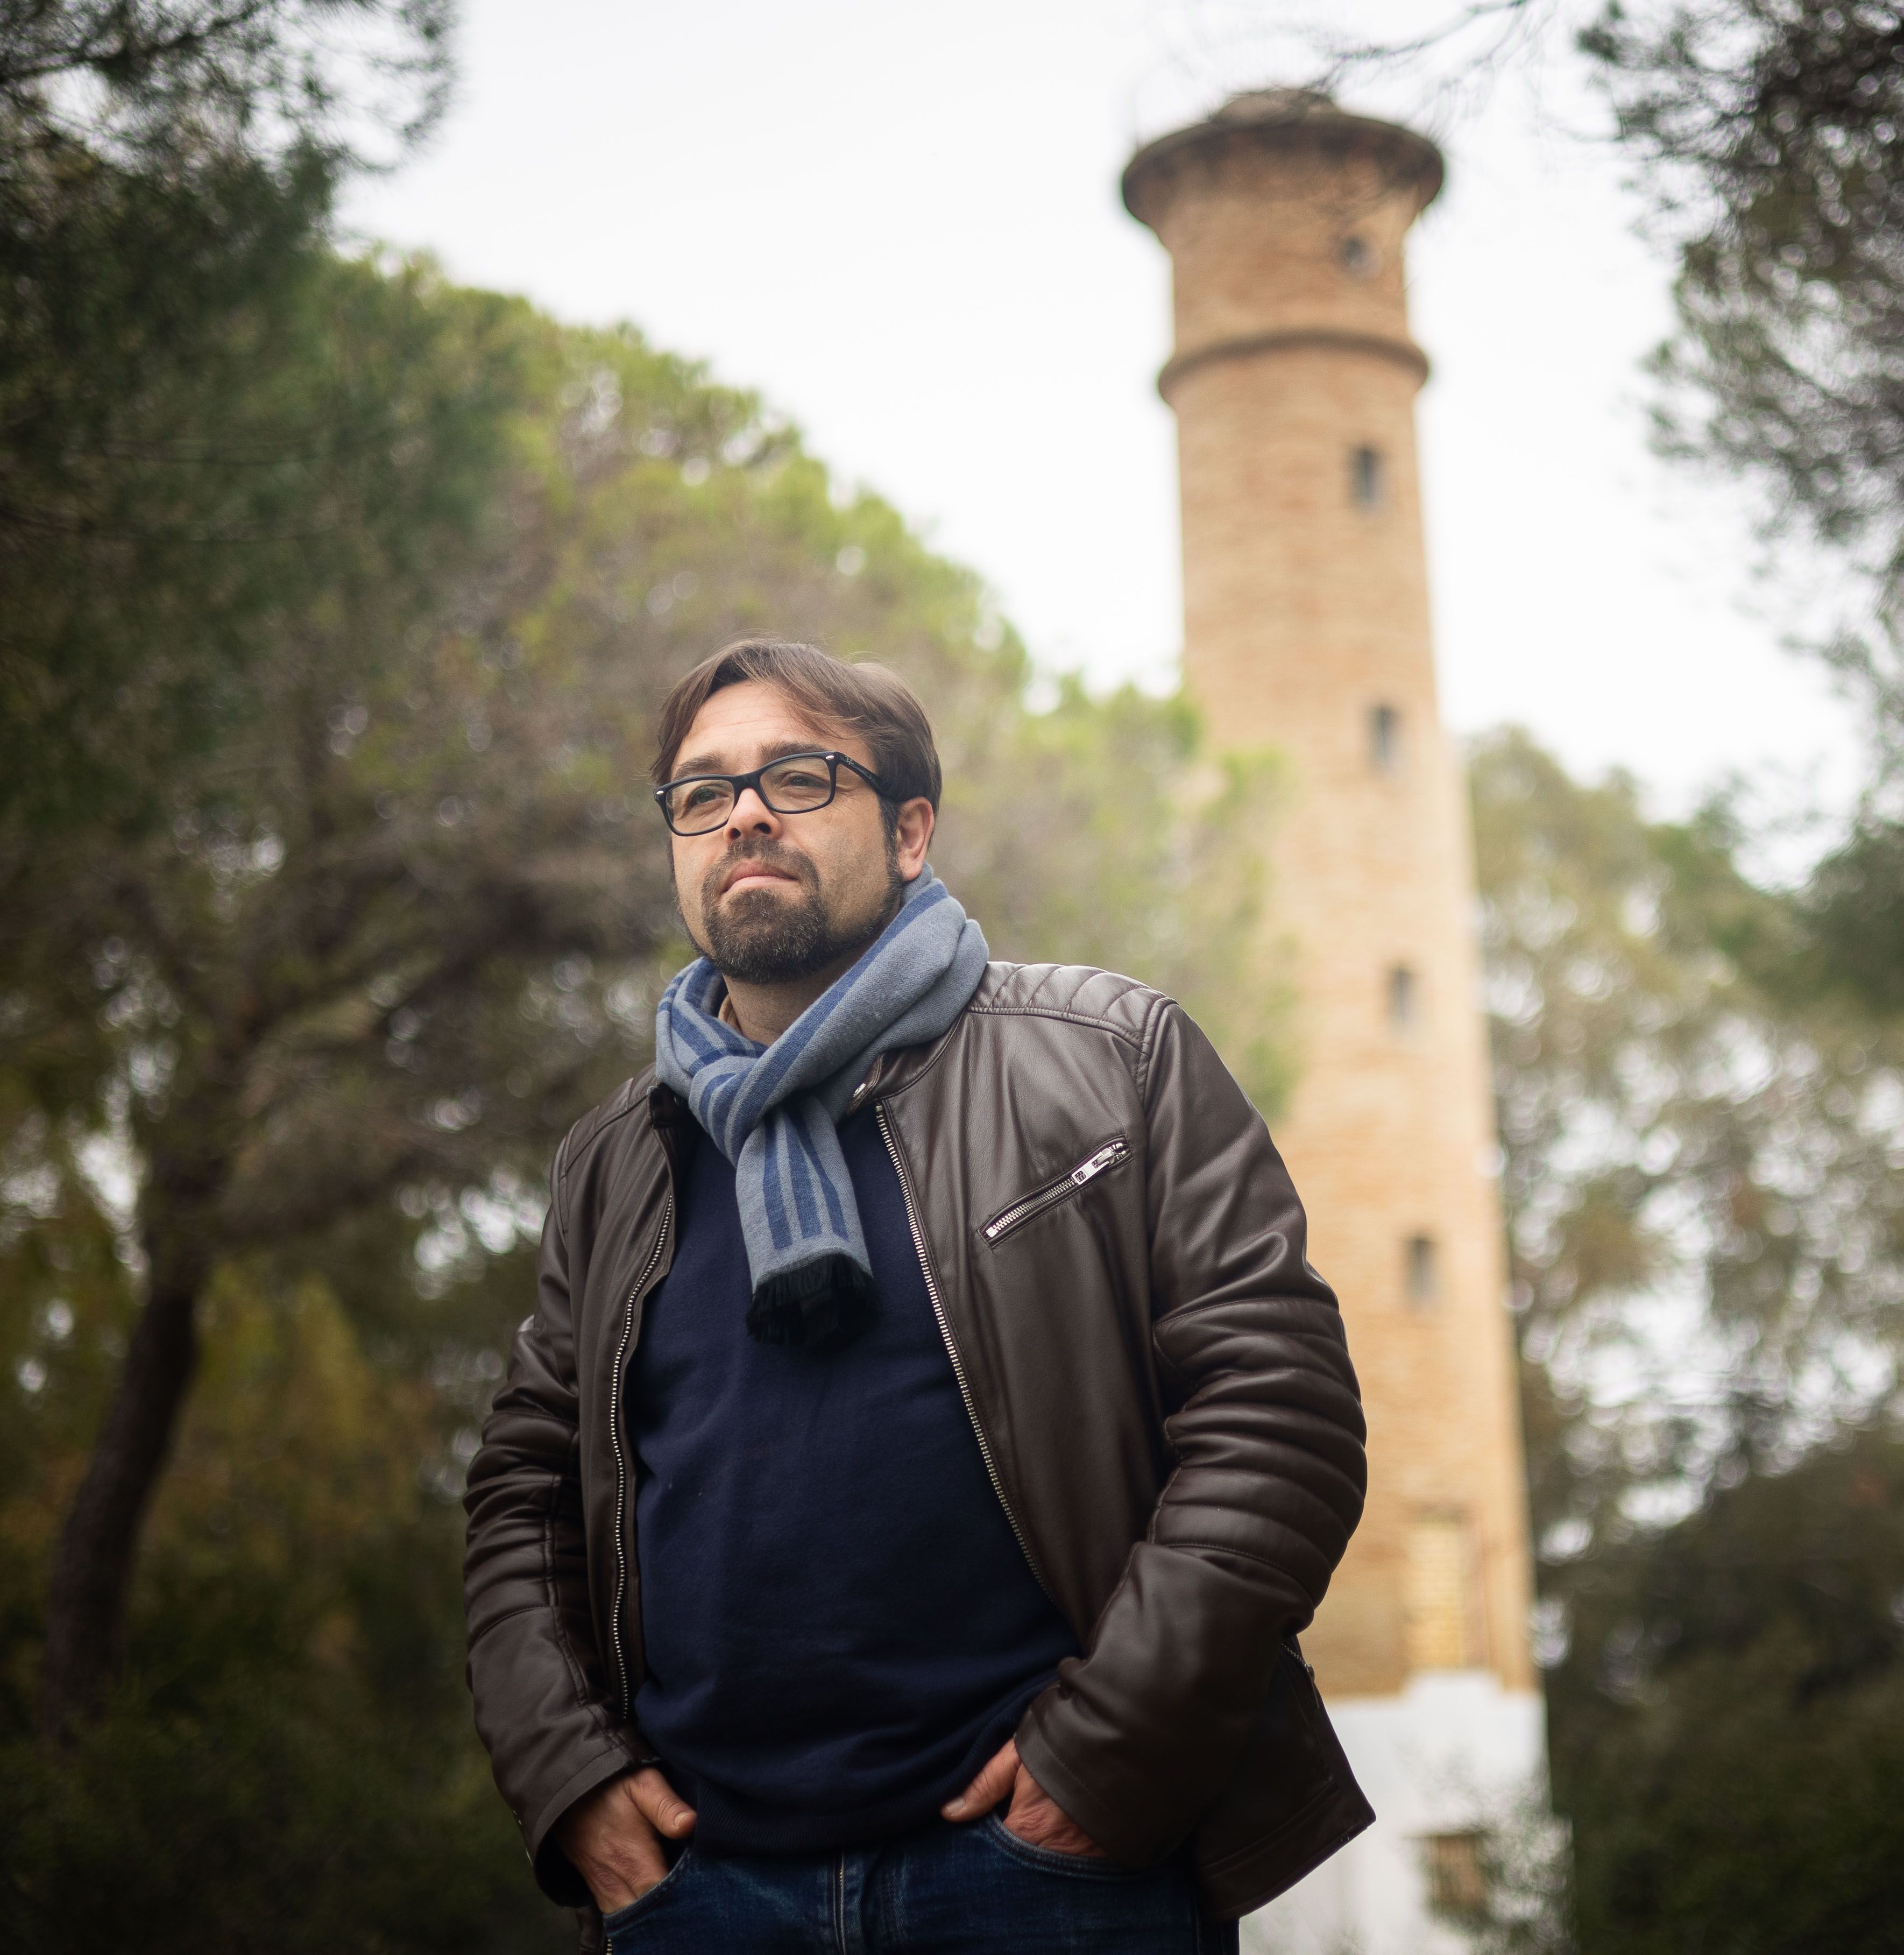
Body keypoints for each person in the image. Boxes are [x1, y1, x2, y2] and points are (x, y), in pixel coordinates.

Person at [463, 639, 1370, 1952]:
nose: (746, 813)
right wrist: (570, 1782)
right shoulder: (618, 1158)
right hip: (701, 1893)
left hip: (1050, 1877)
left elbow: (1279, 1418)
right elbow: (521, 1495)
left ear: (910, 832)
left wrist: (1105, 1762)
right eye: (702, 793)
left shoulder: (1111, 1061)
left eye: (798, 775)